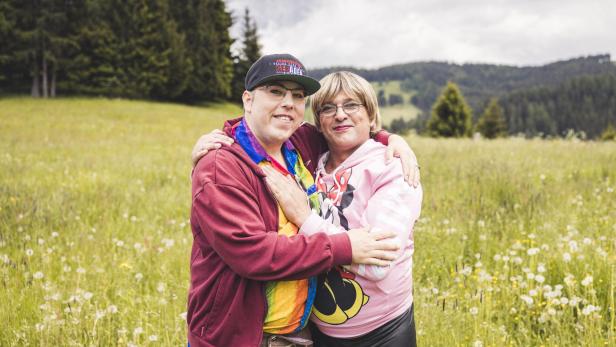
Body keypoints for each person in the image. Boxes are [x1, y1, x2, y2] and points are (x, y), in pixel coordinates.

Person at [188, 54, 410, 347]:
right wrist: (346, 247)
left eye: (298, 95)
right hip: (239, 338)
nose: (288, 103)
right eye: (275, 92)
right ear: (248, 100)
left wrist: (392, 139)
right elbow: (252, 253)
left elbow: (345, 128)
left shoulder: (300, 142)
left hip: (301, 336)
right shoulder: (222, 167)